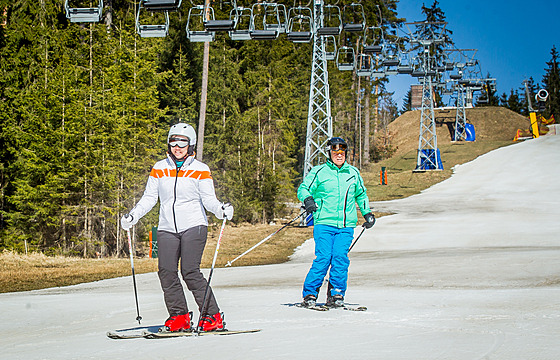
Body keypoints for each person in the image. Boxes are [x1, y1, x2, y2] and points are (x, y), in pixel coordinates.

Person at [121, 123, 234, 332]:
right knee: (166, 272)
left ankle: (213, 316)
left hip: (194, 225)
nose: (177, 147)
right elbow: (149, 198)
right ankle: (179, 316)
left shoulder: (200, 170)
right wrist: (133, 215)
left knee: (190, 271)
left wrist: (221, 210)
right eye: (173, 142)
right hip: (166, 227)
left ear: (191, 145)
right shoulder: (159, 168)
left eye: (182, 142)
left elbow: (209, 200)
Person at [297, 137, 375, 307]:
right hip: (324, 222)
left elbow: (361, 194)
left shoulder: (353, 173)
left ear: (345, 153)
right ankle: (310, 294)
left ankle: (336, 294)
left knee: (340, 258)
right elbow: (303, 188)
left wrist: (367, 212)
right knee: (324, 258)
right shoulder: (320, 172)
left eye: (342, 152)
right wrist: (308, 200)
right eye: (335, 152)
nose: (339, 155)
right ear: (329, 153)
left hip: (346, 225)